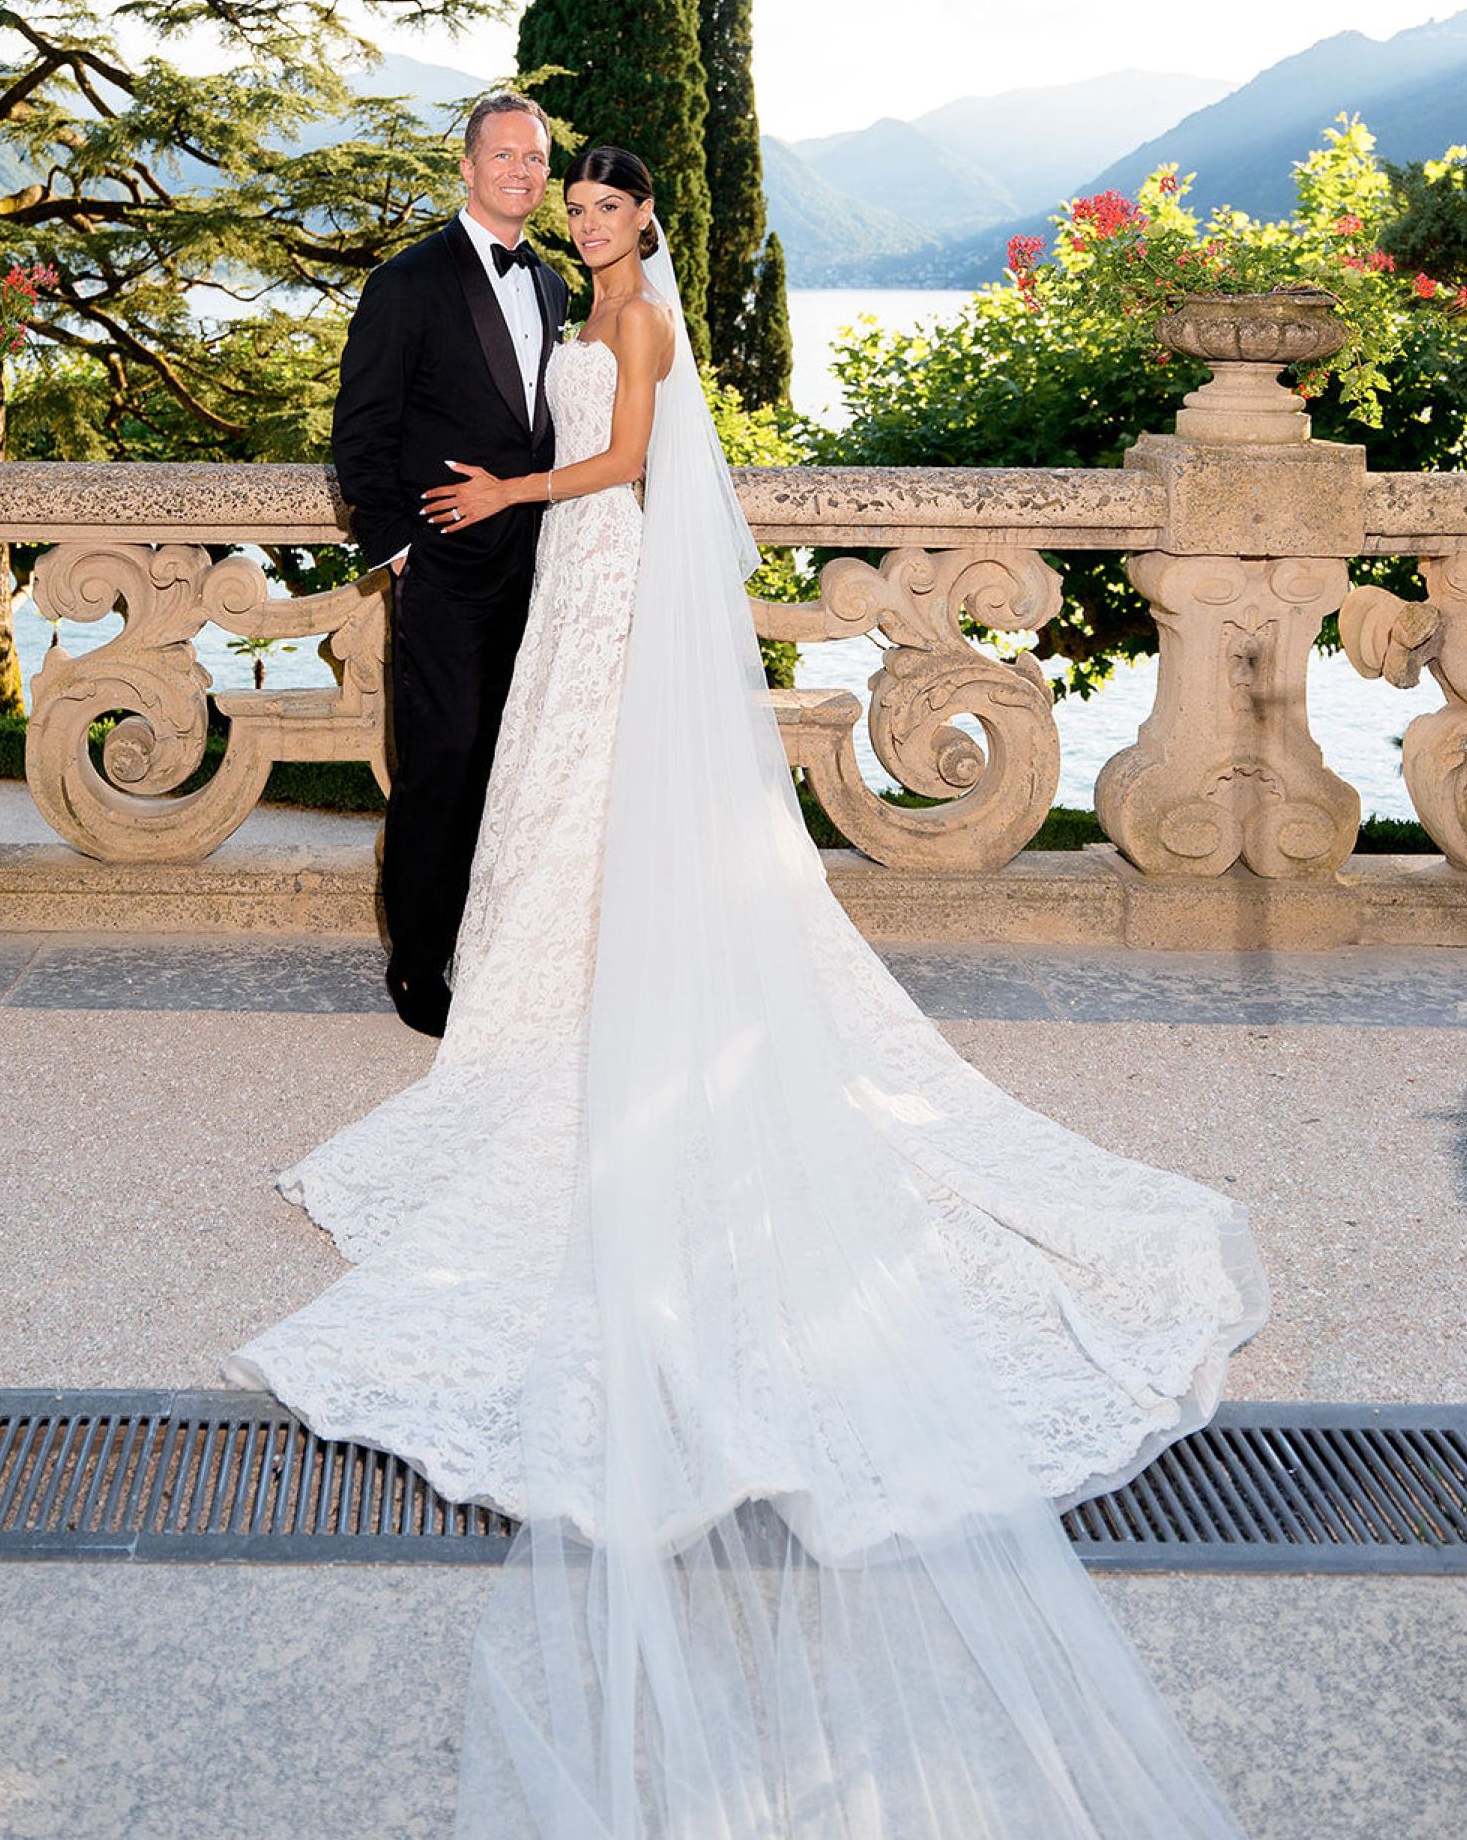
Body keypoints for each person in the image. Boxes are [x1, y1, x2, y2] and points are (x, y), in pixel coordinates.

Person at [232, 146, 1269, 1838]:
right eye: (568, 207)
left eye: (602, 208)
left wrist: (501, 499)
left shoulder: (629, 312)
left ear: (643, 224)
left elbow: (632, 463)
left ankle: (580, 991)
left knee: (582, 785)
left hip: (597, 560)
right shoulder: (578, 293)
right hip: (568, 582)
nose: (584, 224)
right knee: (548, 798)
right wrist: (456, 523)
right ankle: (536, 980)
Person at [329, 92, 568, 1040]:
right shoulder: (407, 281)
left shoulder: (549, 284)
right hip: (444, 574)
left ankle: (486, 943)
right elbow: (361, 437)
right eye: (504, 155)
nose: (522, 170)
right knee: (441, 762)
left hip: (540, 572)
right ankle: (418, 967)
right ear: (467, 168)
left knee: (510, 765)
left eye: (536, 158)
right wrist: (401, 557)